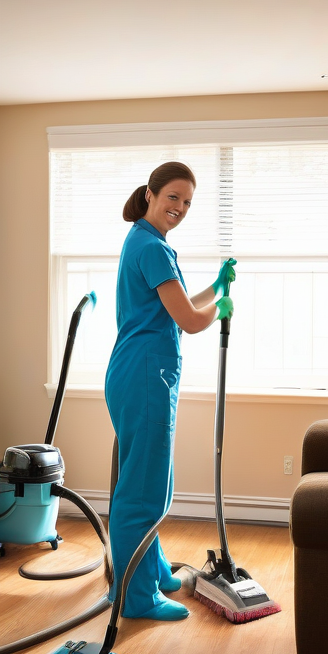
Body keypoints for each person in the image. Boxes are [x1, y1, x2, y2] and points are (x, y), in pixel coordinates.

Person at [105, 161, 236, 621]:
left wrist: (215, 287)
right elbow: (190, 321)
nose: (179, 207)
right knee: (143, 491)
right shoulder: (153, 248)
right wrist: (220, 305)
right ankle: (136, 597)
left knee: (146, 481)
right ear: (150, 194)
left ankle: (152, 570)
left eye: (187, 202)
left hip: (137, 375)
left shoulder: (146, 241)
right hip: (145, 378)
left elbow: (175, 304)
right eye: (172, 198)